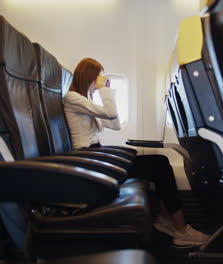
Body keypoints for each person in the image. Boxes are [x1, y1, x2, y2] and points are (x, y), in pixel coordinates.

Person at [63, 58, 210, 246]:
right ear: (88, 77)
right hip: (90, 161)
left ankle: (166, 220)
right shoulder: (73, 98)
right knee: (159, 164)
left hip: (97, 156)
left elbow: (115, 124)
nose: (100, 82)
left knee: (160, 162)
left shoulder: (85, 101)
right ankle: (181, 231)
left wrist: (104, 94)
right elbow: (111, 113)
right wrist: (104, 91)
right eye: (97, 78)